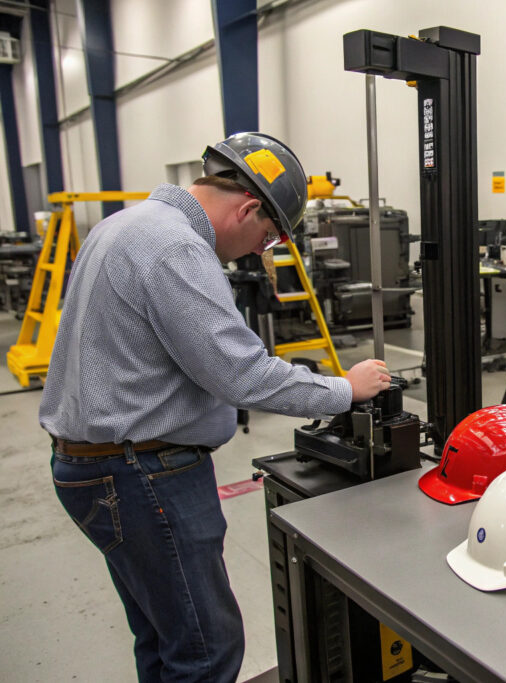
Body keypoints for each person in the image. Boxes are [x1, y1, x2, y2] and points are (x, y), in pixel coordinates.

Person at [39, 132, 391, 682]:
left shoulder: (122, 225)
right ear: (247, 208)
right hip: (142, 474)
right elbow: (241, 374)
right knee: (205, 650)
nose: (258, 250)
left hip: (98, 466)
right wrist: (345, 389)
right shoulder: (175, 246)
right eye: (268, 237)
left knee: (163, 638)